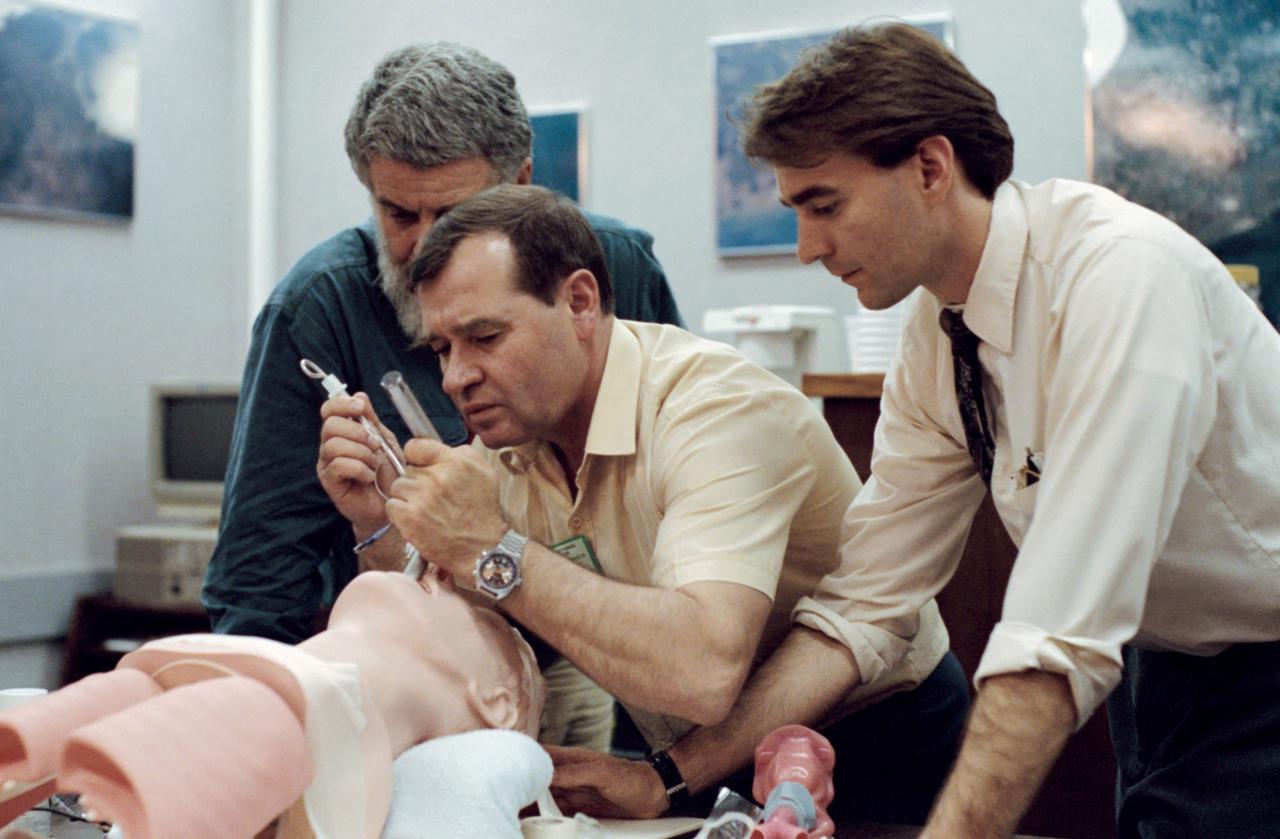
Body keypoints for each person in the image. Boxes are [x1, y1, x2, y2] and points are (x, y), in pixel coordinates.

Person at [709, 21, 1275, 838]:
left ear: (931, 167)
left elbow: (1052, 636)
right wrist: (673, 772)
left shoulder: (1119, 277)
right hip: (1161, 663)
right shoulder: (941, 336)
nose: (805, 248)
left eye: (823, 205)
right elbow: (868, 601)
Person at [316, 184, 969, 825]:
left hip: (877, 736)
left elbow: (702, 670)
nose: (456, 376)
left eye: (484, 337)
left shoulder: (714, 409)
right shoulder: (510, 447)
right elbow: (445, 632)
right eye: (442, 349)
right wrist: (376, 520)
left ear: (578, 301)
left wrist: (494, 549)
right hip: (695, 752)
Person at [202, 41, 682, 648]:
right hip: (416, 650)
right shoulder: (316, 306)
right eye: (399, 214)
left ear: (522, 185)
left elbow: (675, 490)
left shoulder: (615, 268)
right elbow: (261, 570)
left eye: (457, 215)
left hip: (603, 639)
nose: (426, 250)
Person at [0, 570, 548, 839]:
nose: (439, 575)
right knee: (110, 702)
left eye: (475, 614)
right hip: (233, 673)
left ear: (495, 705)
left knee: (264, 712)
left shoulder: (314, 701)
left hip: (315, 729)